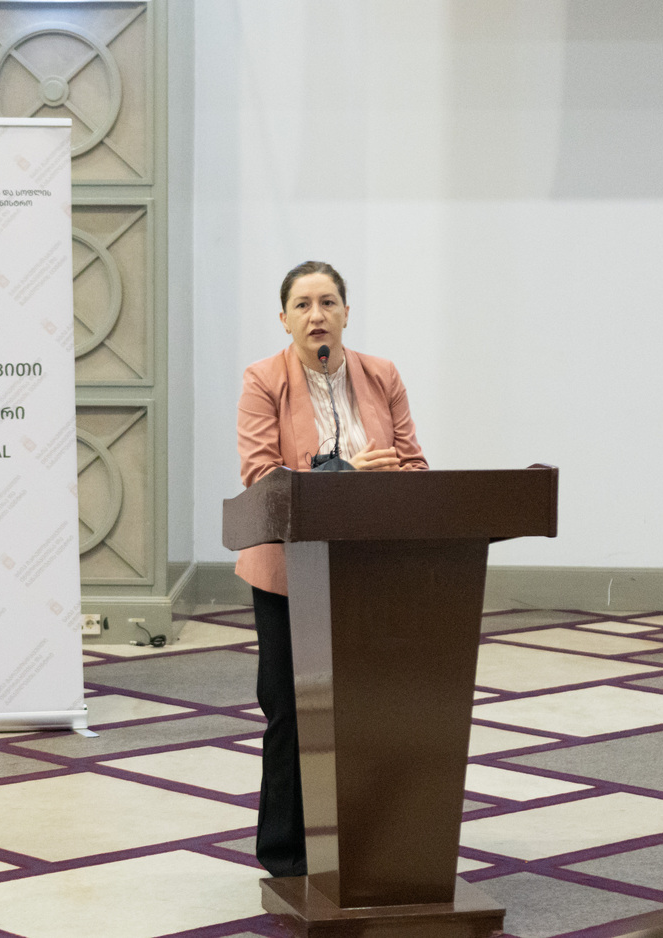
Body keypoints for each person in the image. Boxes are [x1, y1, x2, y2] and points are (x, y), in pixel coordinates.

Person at [235, 261, 428, 877]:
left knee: (371, 706)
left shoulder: (382, 374)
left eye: (327, 302)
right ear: (284, 319)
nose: (316, 315)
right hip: (290, 571)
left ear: (346, 312)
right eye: (303, 304)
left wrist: (393, 476)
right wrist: (346, 474)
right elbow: (261, 476)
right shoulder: (263, 379)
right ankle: (287, 855)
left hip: (371, 567)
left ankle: (368, 842)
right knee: (292, 709)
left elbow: (415, 465)